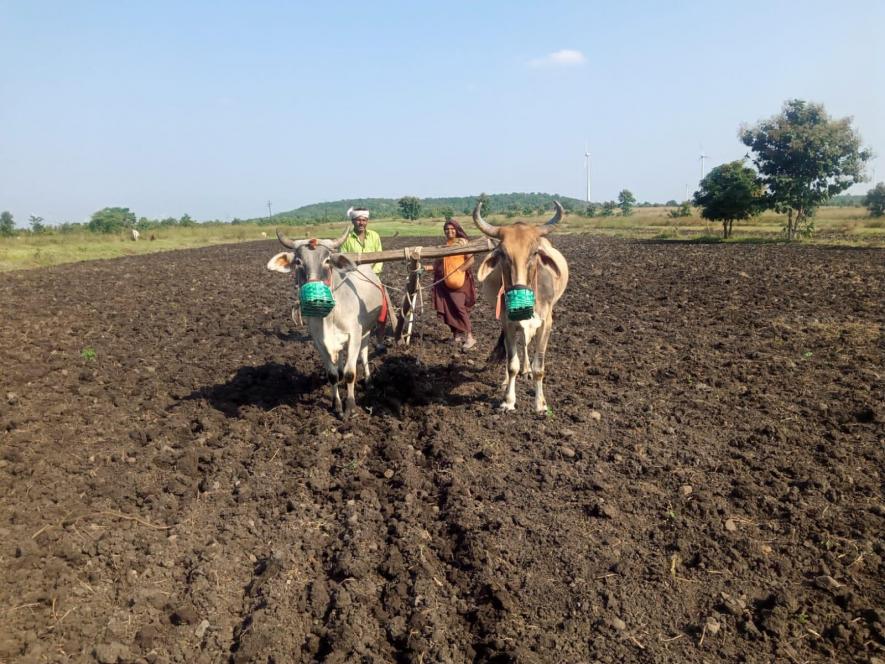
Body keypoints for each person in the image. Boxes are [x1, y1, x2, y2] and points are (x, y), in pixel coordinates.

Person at [427, 218, 477, 350]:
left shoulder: (462, 243)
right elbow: (440, 266)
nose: (449, 231)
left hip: (459, 282)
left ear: (457, 230)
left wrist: (460, 270)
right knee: (449, 308)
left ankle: (470, 337)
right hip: (445, 283)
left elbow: (471, 260)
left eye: (452, 229)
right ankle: (456, 335)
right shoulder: (445, 246)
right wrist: (427, 268)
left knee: (459, 308)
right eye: (447, 229)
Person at [339, 207, 383, 274]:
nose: (361, 223)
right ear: (352, 221)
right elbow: (344, 261)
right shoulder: (346, 239)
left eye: (364, 220)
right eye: (358, 220)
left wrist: (372, 273)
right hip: (353, 277)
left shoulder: (375, 236)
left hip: (374, 276)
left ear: (367, 221)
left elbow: (380, 257)